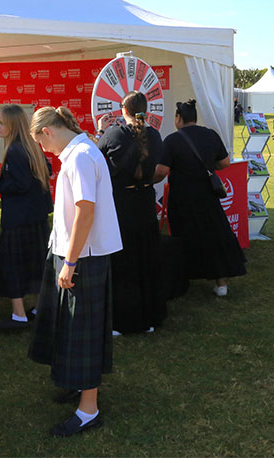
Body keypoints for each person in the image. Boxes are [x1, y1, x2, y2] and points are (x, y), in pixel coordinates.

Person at [27, 106, 122, 437]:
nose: (42, 149)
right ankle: (78, 386)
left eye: (40, 141)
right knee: (70, 328)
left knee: (85, 331)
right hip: (76, 253)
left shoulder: (81, 155)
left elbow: (86, 211)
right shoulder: (79, 151)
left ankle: (88, 409)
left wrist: (70, 261)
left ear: (47, 132)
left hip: (83, 257)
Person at [154, 99, 246, 296]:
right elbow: (224, 162)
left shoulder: (172, 140)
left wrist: (146, 181)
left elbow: (161, 171)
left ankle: (184, 278)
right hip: (208, 195)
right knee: (214, 236)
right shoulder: (211, 135)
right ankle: (221, 282)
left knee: (183, 238)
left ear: (179, 118)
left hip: (182, 198)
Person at [96, 91, 166, 335]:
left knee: (123, 261)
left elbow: (94, 160)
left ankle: (121, 320)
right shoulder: (155, 135)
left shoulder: (115, 133)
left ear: (122, 110)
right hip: (145, 202)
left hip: (122, 205)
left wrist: (100, 132)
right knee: (145, 258)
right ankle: (148, 317)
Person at [0, 105, 53, 330]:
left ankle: (19, 315)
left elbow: (20, 183)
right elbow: (42, 172)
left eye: (1, 123)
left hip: (18, 220)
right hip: (36, 218)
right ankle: (37, 307)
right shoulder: (32, 146)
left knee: (13, 266)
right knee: (35, 265)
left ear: (12, 125)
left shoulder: (14, 150)